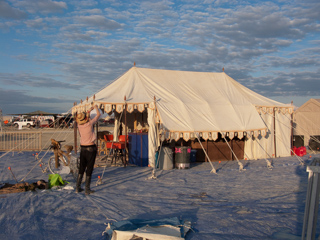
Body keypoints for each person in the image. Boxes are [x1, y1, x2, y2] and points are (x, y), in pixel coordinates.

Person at [75, 104, 101, 195]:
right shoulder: (89, 124)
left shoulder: (79, 125)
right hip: (90, 147)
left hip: (83, 148)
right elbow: (98, 115)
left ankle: (78, 187)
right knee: (89, 168)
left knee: (81, 167)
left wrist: (89, 111)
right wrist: (96, 108)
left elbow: (84, 118)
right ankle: (87, 188)